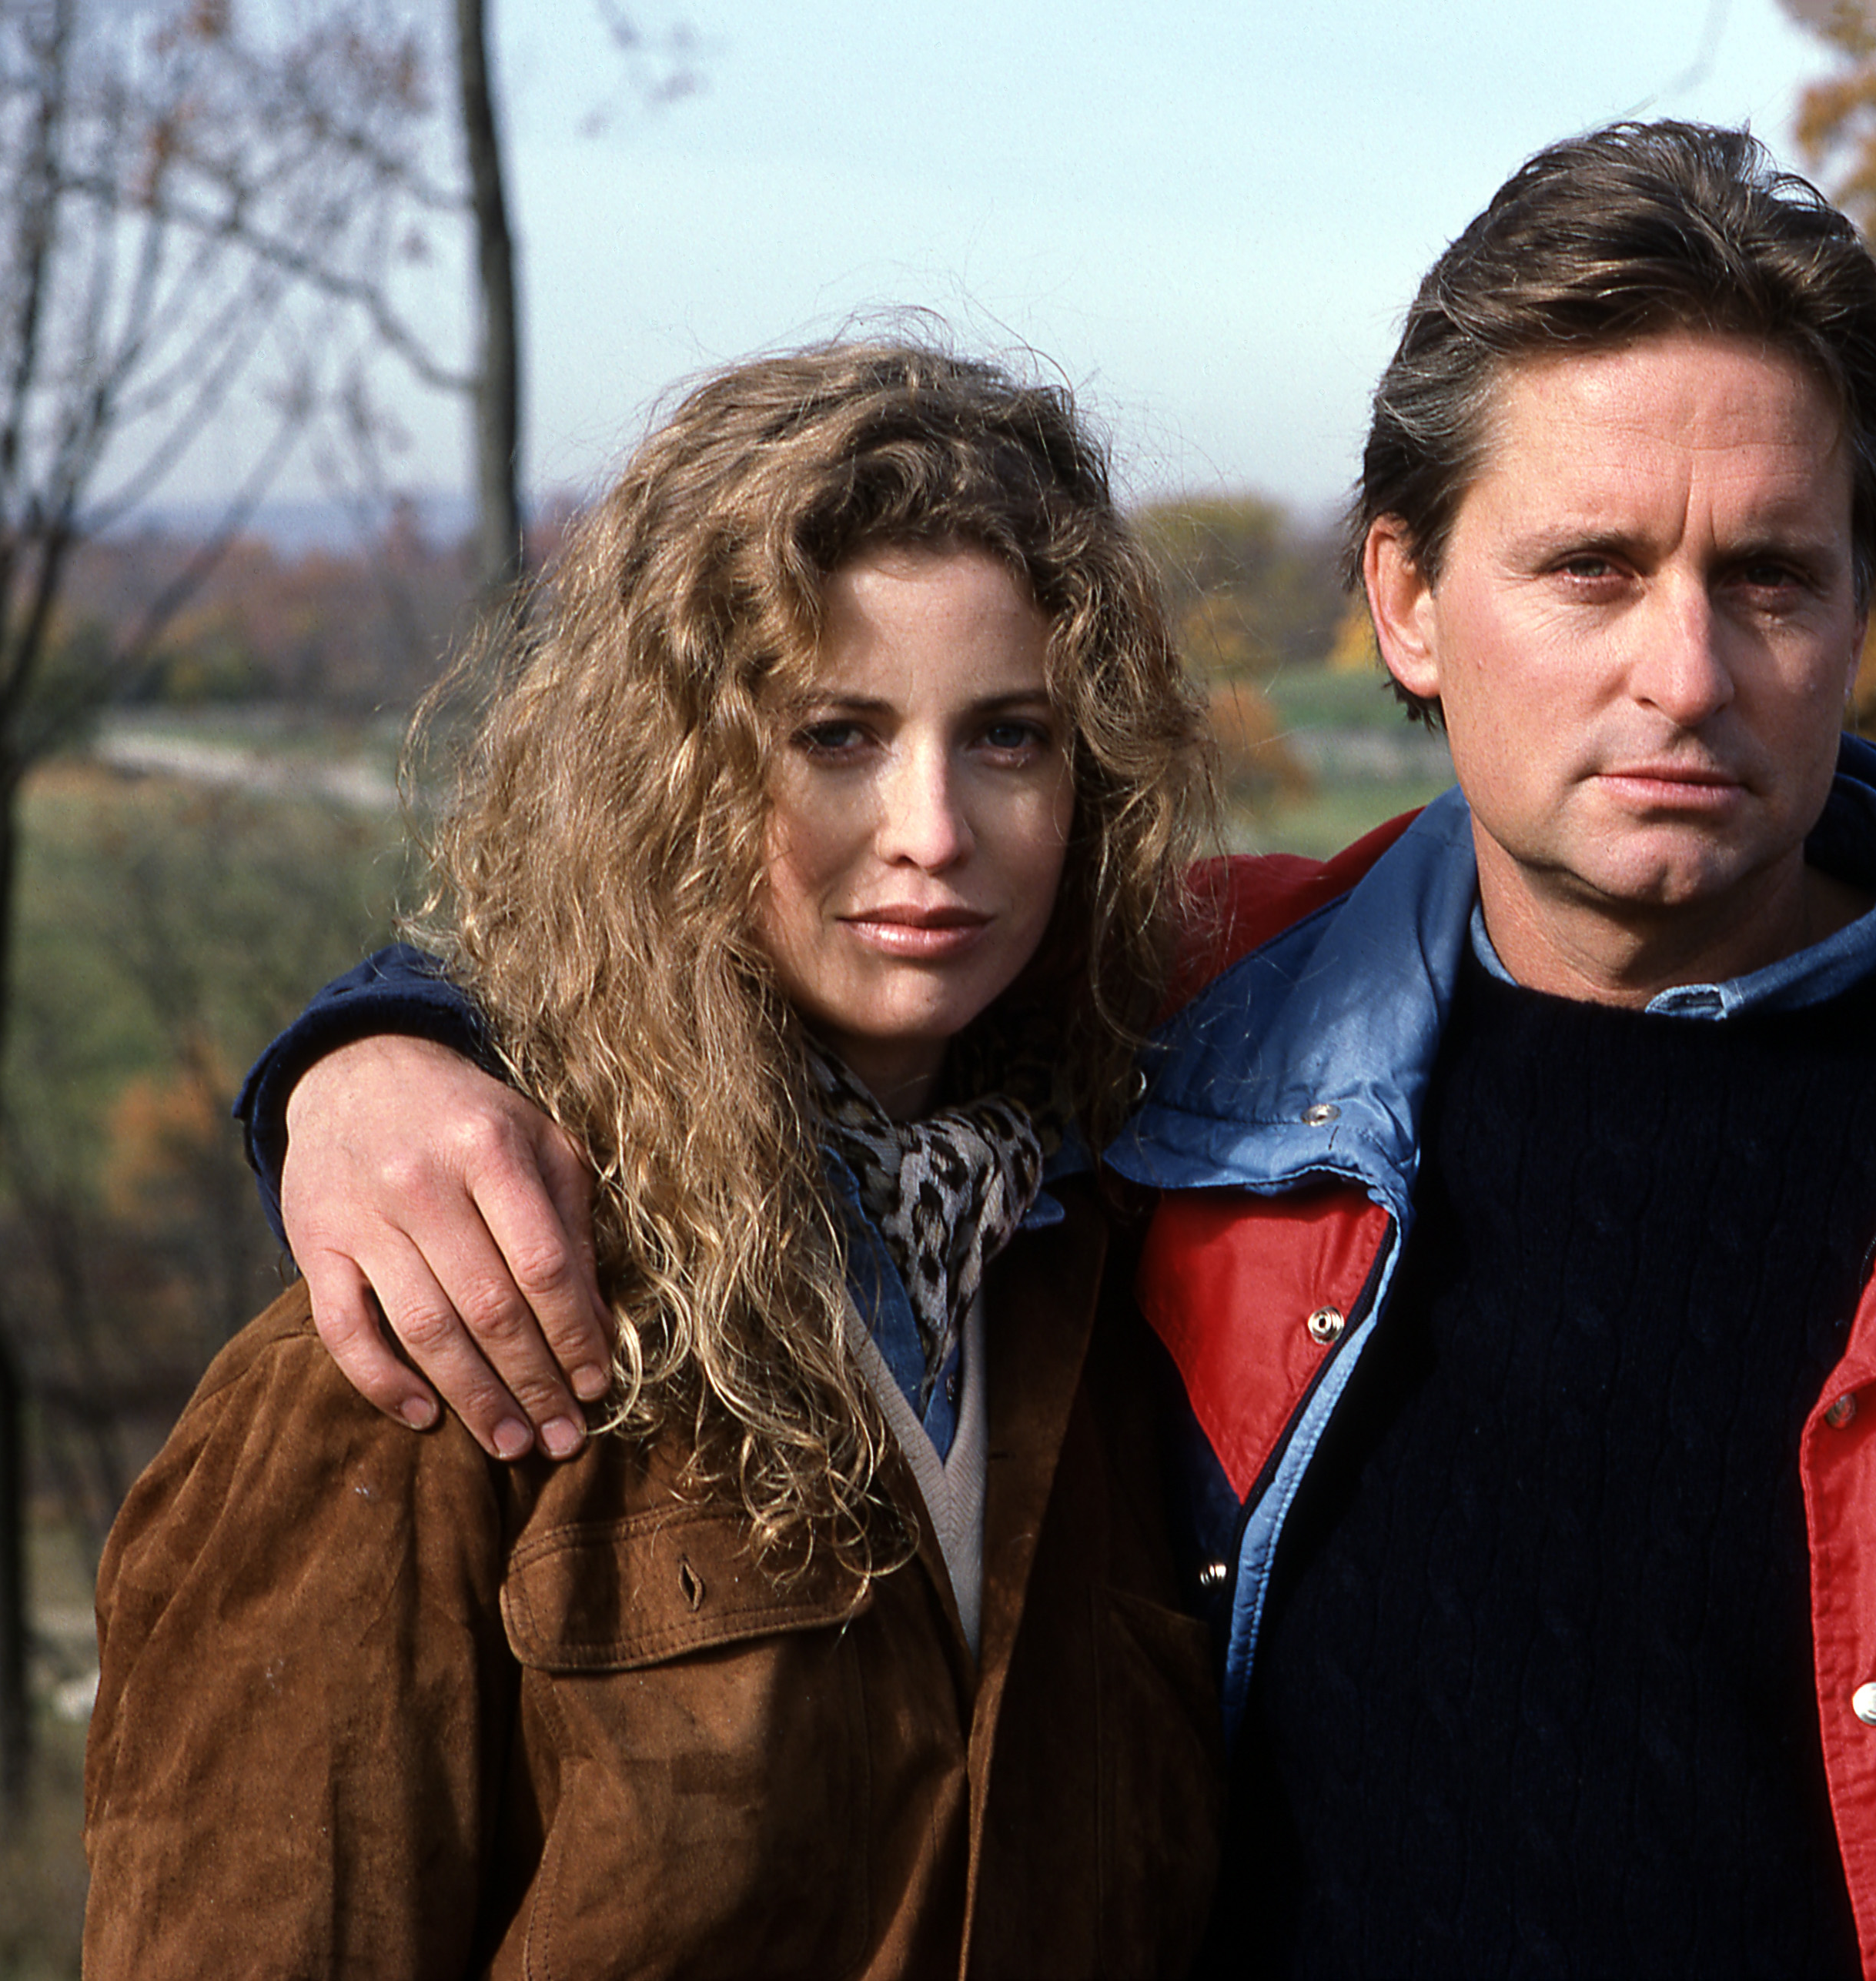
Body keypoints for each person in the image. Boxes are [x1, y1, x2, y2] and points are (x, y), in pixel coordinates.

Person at [239, 126, 1876, 1976]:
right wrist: (380, 1050)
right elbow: (736, 952)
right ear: (1405, 595)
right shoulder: (1169, 1040)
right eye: (1589, 568)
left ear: (1859, 604)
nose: (1682, 672)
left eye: (1767, 576)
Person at [84, 342, 1224, 1978]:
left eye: (1010, 738)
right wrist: (359, 1060)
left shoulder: (1103, 1271)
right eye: (835, 733)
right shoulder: (435, 1315)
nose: (933, 829)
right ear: (673, 771)